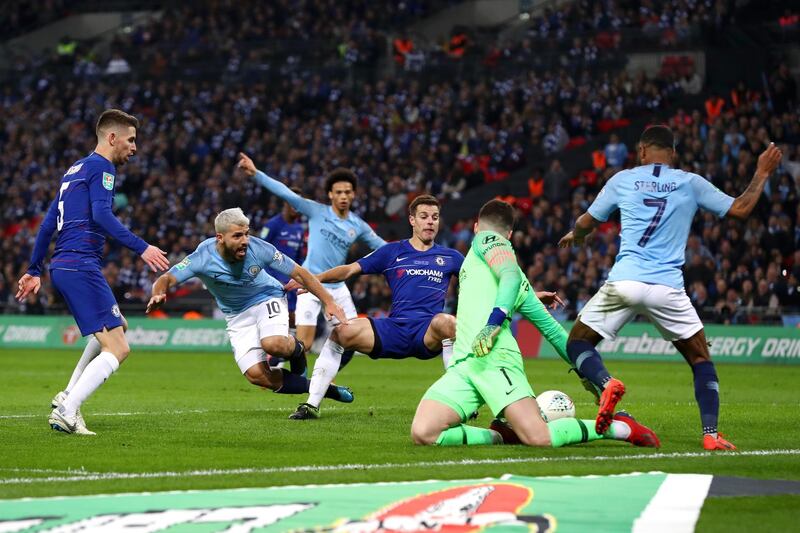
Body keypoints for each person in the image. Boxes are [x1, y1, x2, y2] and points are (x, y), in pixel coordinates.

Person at [558, 125, 783, 451]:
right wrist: (762, 172)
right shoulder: (690, 182)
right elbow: (740, 209)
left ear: (642, 151)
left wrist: (577, 236)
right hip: (668, 288)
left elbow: (586, 222)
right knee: (700, 359)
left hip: (625, 281)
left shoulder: (623, 179)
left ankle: (607, 384)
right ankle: (710, 434)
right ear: (673, 153)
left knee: (578, 343)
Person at [411, 200, 659, 448]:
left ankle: (623, 428)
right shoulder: (515, 282)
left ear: (478, 228)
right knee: (424, 432)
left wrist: (494, 323)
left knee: (539, 437)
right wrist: (591, 376)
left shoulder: (487, 239)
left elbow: (508, 273)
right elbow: (553, 332)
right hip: (466, 364)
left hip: (495, 360)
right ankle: (503, 435)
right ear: (510, 232)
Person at [16, 109, 171, 435]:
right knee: (119, 348)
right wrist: (142, 247)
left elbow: (47, 225)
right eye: (130, 140)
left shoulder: (74, 169)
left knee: (119, 327)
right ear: (111, 137)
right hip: (79, 264)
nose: (134, 147)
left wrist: (34, 269)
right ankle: (68, 410)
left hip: (65, 265)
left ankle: (68, 396)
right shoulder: (103, 167)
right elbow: (101, 215)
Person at [147, 208, 355, 404]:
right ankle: (324, 388)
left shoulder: (259, 248)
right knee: (257, 376)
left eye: (246, 234)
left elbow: (300, 272)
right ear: (220, 238)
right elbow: (166, 278)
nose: (245, 241)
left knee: (273, 344)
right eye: (238, 236)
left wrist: (329, 301)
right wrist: (158, 294)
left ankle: (296, 348)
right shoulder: (202, 257)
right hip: (236, 316)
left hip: (267, 297)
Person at [286, 195, 463, 419]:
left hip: (428, 331)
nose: (430, 222)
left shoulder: (451, 257)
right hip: (395, 328)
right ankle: (311, 405)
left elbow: (476, 282)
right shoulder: (392, 252)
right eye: (424, 216)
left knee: (448, 322)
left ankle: (460, 398)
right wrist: (313, 279)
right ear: (412, 220)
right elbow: (349, 270)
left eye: (435, 217)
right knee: (341, 333)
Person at [237, 153, 385, 371]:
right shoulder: (317, 211)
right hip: (309, 283)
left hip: (337, 288)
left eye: (347, 192)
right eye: (338, 192)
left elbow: (383, 247)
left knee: (353, 340)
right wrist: (256, 174)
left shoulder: (358, 225)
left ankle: (326, 379)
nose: (343, 196)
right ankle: (278, 362)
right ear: (330, 194)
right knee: (304, 344)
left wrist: (414, 250)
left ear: (353, 194)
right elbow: (285, 193)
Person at [261, 190, 305, 367]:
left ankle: (279, 357)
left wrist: (302, 277)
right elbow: (259, 252)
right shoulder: (273, 225)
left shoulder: (299, 229)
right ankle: (272, 357)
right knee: (279, 317)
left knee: (293, 318)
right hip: (273, 283)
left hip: (291, 283)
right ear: (285, 203)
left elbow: (299, 257)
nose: (296, 208)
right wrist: (265, 278)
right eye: (292, 203)